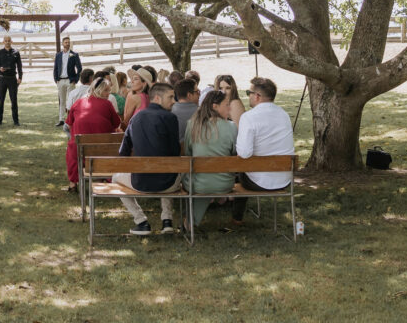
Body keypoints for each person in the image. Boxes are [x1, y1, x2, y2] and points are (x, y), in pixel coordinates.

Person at [113, 82, 180, 236]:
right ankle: (167, 220)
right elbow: (175, 151)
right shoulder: (170, 118)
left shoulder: (135, 119)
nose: (174, 101)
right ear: (157, 98)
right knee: (170, 170)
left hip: (140, 182)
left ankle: (141, 221)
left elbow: (123, 152)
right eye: (170, 97)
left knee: (116, 178)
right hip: (168, 184)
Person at [233, 78, 295, 225]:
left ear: (257, 96)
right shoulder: (284, 115)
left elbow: (244, 153)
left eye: (249, 92)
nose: (248, 95)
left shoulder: (248, 117)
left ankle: (237, 218)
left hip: (258, 181)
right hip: (284, 179)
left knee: (240, 170)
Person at [182, 90, 237, 228]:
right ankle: (192, 221)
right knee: (209, 180)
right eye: (226, 104)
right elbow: (234, 153)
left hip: (196, 183)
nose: (229, 108)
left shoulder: (192, 124)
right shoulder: (231, 127)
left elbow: (188, 152)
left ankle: (190, 222)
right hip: (225, 183)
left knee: (201, 180)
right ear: (215, 106)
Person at [65, 77, 122, 190]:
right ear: (98, 90)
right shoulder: (107, 104)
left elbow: (69, 123)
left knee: (72, 147)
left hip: (80, 149)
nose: (108, 93)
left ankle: (73, 183)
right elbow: (116, 124)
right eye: (106, 90)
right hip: (102, 148)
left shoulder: (79, 102)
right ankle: (105, 177)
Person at [0, 35, 23, 126]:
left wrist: (20, 77)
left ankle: (16, 121)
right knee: (1, 100)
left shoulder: (16, 52)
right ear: (3, 42)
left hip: (12, 79)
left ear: (11, 41)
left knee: (14, 100)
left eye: (9, 41)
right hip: (2, 79)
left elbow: (19, 66)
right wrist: (0, 68)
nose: (7, 42)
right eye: (6, 41)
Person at [53, 36, 82, 127]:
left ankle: (71, 119)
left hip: (70, 81)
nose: (67, 44)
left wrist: (75, 80)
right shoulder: (58, 55)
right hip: (60, 81)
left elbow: (79, 68)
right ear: (62, 43)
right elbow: (55, 68)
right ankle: (61, 119)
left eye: (69, 42)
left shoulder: (74, 55)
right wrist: (56, 79)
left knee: (71, 100)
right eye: (66, 42)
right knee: (62, 101)